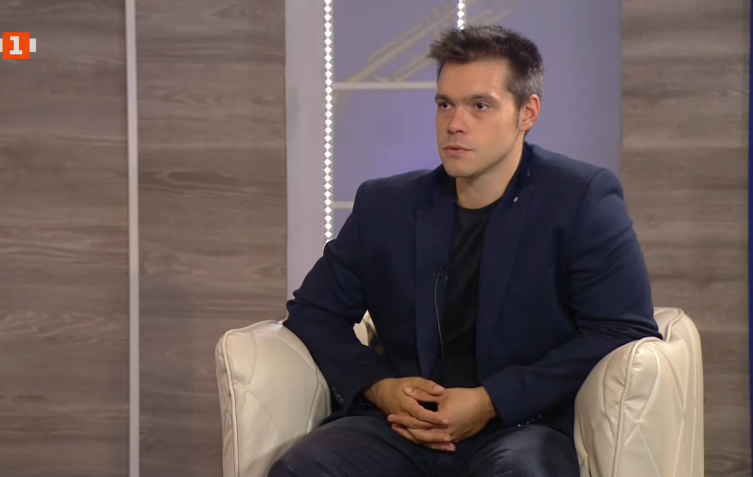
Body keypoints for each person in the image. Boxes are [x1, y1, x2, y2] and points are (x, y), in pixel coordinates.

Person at [269, 24, 661, 477]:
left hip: (520, 427)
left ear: (527, 112)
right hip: (400, 426)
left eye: (480, 105)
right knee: (300, 468)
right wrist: (380, 387)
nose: (455, 123)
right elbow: (313, 312)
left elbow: (623, 328)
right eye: (445, 104)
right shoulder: (385, 205)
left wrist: (492, 400)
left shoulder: (581, 200)